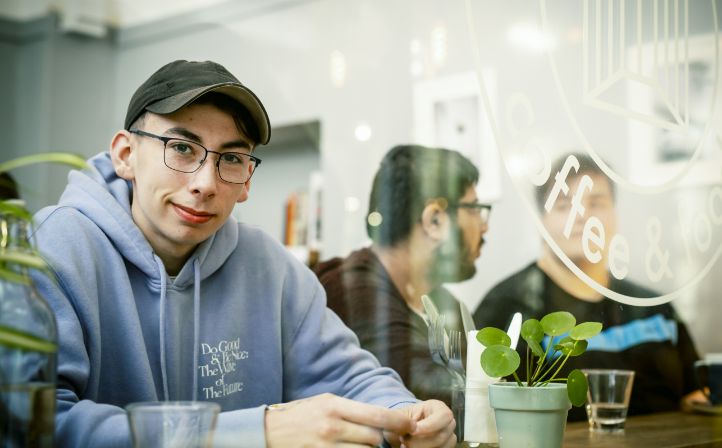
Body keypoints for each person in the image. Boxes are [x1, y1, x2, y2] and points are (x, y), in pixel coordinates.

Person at [30, 60, 455, 447]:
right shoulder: (55, 247)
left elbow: (350, 377)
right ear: (126, 154)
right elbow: (39, 425)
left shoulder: (270, 267)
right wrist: (260, 432)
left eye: (231, 158)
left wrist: (406, 412)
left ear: (247, 181)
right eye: (181, 148)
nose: (205, 183)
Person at [473, 152, 705, 421]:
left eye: (596, 203)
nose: (581, 216)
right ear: (541, 222)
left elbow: (697, 396)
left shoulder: (654, 310)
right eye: (563, 205)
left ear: (615, 216)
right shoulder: (508, 310)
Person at [314, 145, 490, 406]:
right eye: (475, 208)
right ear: (434, 221)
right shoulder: (351, 290)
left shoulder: (445, 304)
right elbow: (428, 402)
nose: (484, 224)